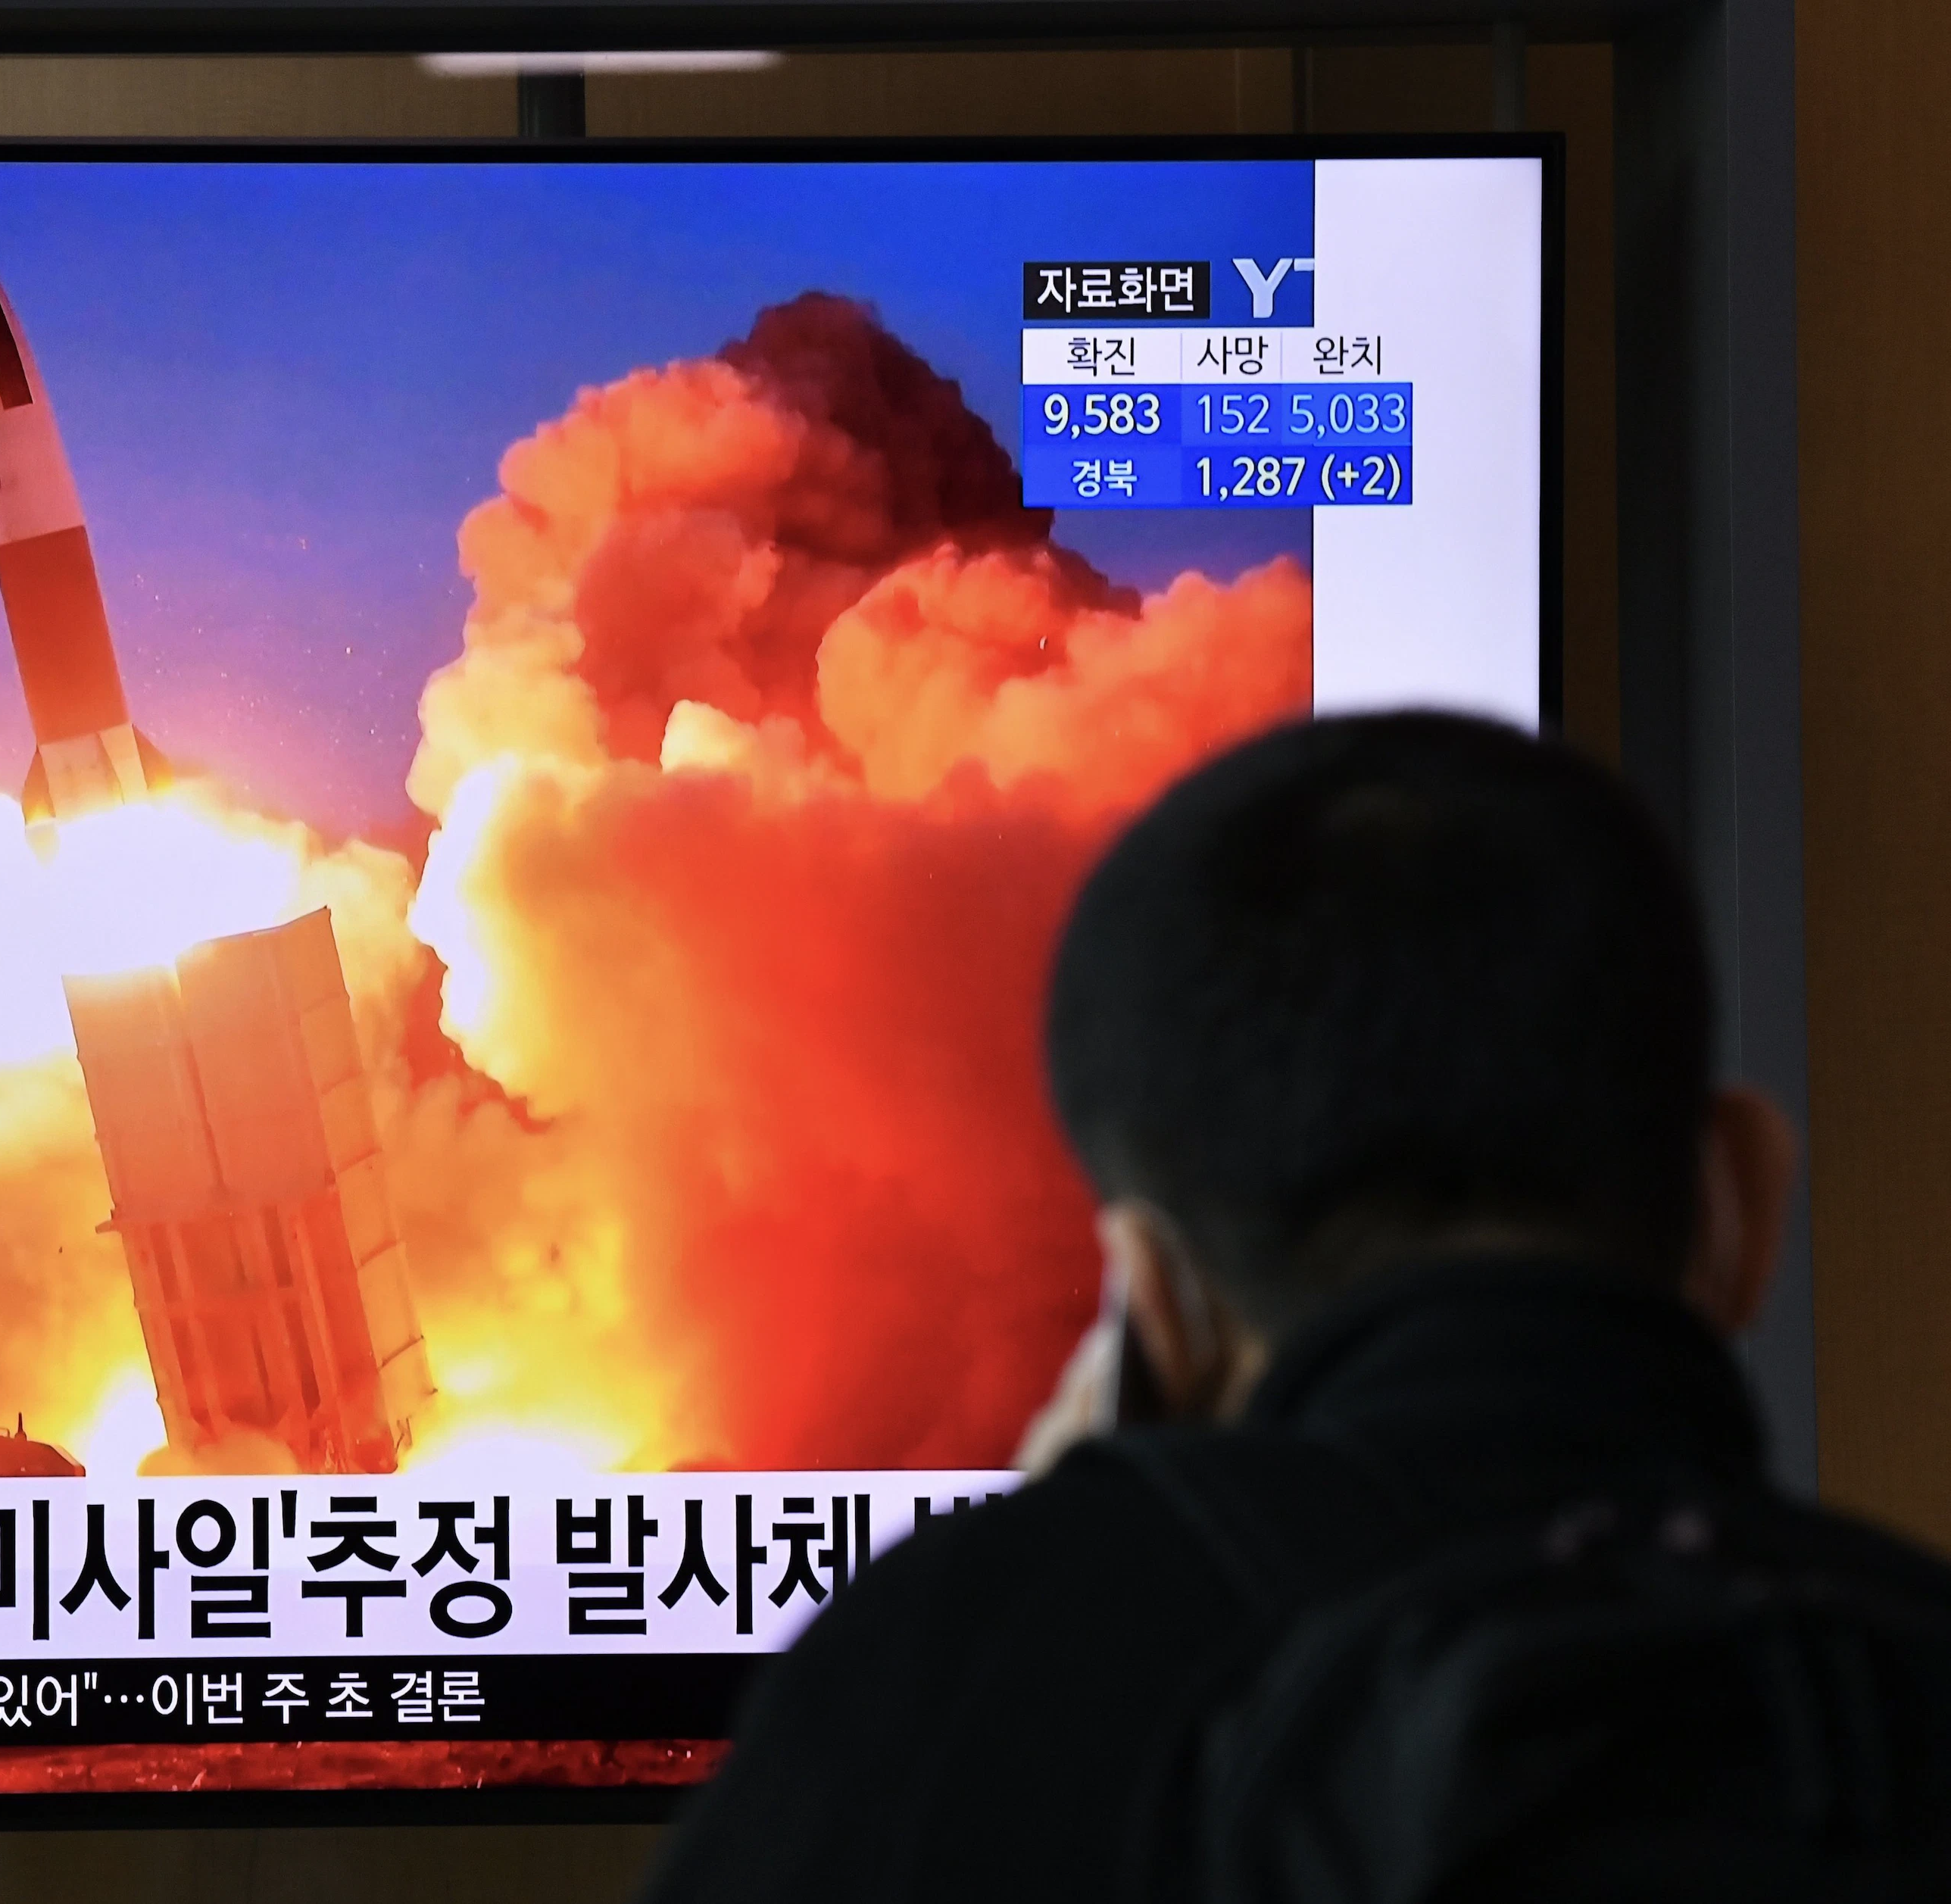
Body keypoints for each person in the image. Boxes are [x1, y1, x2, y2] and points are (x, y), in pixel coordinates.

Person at [638, 711, 1951, 1903]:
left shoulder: (957, 1694)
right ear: (1738, 1198)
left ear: (1153, 1296)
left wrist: (1050, 1554)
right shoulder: (1898, 1669)